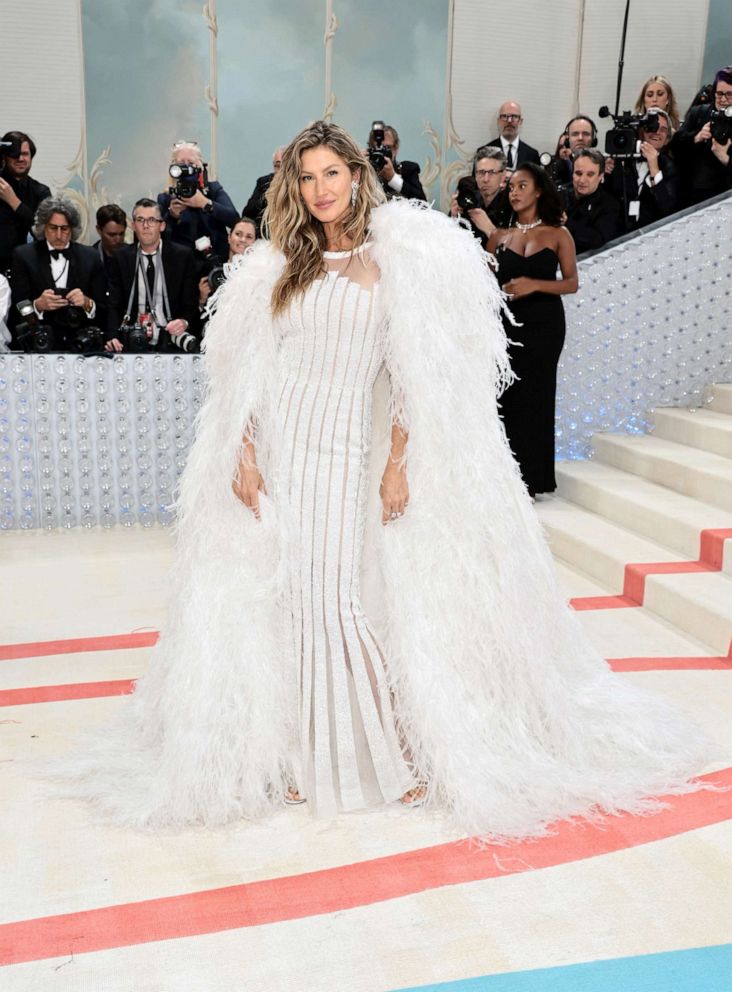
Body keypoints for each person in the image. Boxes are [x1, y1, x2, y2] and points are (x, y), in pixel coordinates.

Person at [55, 121, 711, 840]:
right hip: (283, 447)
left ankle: (394, 748)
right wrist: (241, 453)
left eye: (331, 174)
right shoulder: (279, 267)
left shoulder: (392, 261)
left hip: (346, 450)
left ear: (358, 176)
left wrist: (398, 462)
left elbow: (410, 369)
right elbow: (243, 372)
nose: (319, 190)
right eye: (306, 179)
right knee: (296, 600)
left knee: (341, 596)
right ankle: (312, 753)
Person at [487, 162, 578, 498]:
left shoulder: (558, 234)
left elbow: (571, 283)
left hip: (544, 327)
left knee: (537, 397)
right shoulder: (499, 236)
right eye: (511, 187)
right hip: (505, 327)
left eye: (522, 186)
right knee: (505, 397)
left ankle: (533, 479)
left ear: (538, 190)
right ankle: (502, 476)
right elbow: (483, 284)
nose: (514, 193)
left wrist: (533, 285)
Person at [10, 196, 105, 351]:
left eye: (64, 228)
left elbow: (106, 308)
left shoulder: (90, 257)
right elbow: (16, 307)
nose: (59, 235)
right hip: (39, 345)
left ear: (72, 229)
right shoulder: (24, 256)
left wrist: (87, 303)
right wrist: (38, 306)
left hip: (81, 346)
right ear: (43, 227)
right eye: (53, 228)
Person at [105, 198, 198, 353]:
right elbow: (114, 304)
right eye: (140, 220)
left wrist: (184, 322)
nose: (146, 226)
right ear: (133, 226)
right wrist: (112, 336)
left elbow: (191, 304)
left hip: (170, 340)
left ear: (162, 225)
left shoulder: (182, 256)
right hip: (131, 342)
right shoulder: (121, 258)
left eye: (151, 220)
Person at [157, 140, 238, 259]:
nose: (186, 167)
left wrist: (205, 203)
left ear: (199, 166)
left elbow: (234, 219)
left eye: (191, 162)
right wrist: (172, 216)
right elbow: (158, 237)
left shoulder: (213, 190)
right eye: (181, 163)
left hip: (214, 259)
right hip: (181, 264)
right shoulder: (166, 198)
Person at [606, 109, 680, 230]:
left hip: (651, 234)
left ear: (667, 139)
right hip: (617, 234)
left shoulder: (670, 168)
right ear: (641, 132)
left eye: (663, 129)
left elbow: (667, 208)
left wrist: (654, 168)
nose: (656, 132)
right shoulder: (621, 160)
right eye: (651, 127)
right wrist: (604, 173)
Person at [672, 65, 732, 207]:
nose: (723, 99)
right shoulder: (698, 113)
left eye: (729, 95)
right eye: (719, 94)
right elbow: (674, 145)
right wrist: (696, 137)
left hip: (726, 195)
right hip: (694, 193)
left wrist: (725, 158)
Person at [0, 131, 51, 277]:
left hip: (22, 270)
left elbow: (45, 229)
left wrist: (14, 202)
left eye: (25, 154)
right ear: (4, 157)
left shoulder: (40, 191)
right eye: (15, 154)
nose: (20, 158)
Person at [561, 149, 621, 254]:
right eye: (578, 173)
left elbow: (597, 240)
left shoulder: (609, 205)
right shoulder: (559, 195)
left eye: (590, 175)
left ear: (600, 176)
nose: (582, 180)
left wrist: (567, 223)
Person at [449, 146, 511, 247]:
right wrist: (453, 218)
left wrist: (490, 230)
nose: (485, 179)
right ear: (475, 175)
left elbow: (514, 254)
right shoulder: (466, 200)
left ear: (503, 176)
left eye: (491, 173)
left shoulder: (511, 206)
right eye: (481, 172)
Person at [198, 216, 257, 313]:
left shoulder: (258, 275)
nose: (243, 239)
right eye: (238, 234)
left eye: (249, 237)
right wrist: (201, 299)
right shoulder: (209, 270)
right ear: (229, 238)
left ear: (254, 243)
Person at [366, 123, 426, 201]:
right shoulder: (363, 170)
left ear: (396, 148)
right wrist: (356, 164)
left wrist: (393, 178)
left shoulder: (408, 169)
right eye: (377, 148)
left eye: (387, 148)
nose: (382, 153)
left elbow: (423, 204)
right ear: (370, 148)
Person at [241, 147, 285, 234]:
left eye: (285, 166)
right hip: (264, 235)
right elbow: (247, 213)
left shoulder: (300, 185)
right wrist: (268, 195)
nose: (280, 171)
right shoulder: (264, 182)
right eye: (277, 166)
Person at [485, 102, 540, 170]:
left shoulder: (532, 155)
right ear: (498, 121)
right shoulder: (484, 153)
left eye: (514, 116)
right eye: (504, 116)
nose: (509, 121)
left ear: (521, 121)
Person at [553, 116, 600, 184]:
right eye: (575, 134)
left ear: (593, 139)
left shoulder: (602, 165)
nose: (580, 138)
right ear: (567, 139)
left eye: (586, 134)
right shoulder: (556, 166)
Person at [93, 203, 127, 289]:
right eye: (112, 235)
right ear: (99, 230)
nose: (118, 239)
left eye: (121, 234)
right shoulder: (88, 259)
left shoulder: (133, 256)